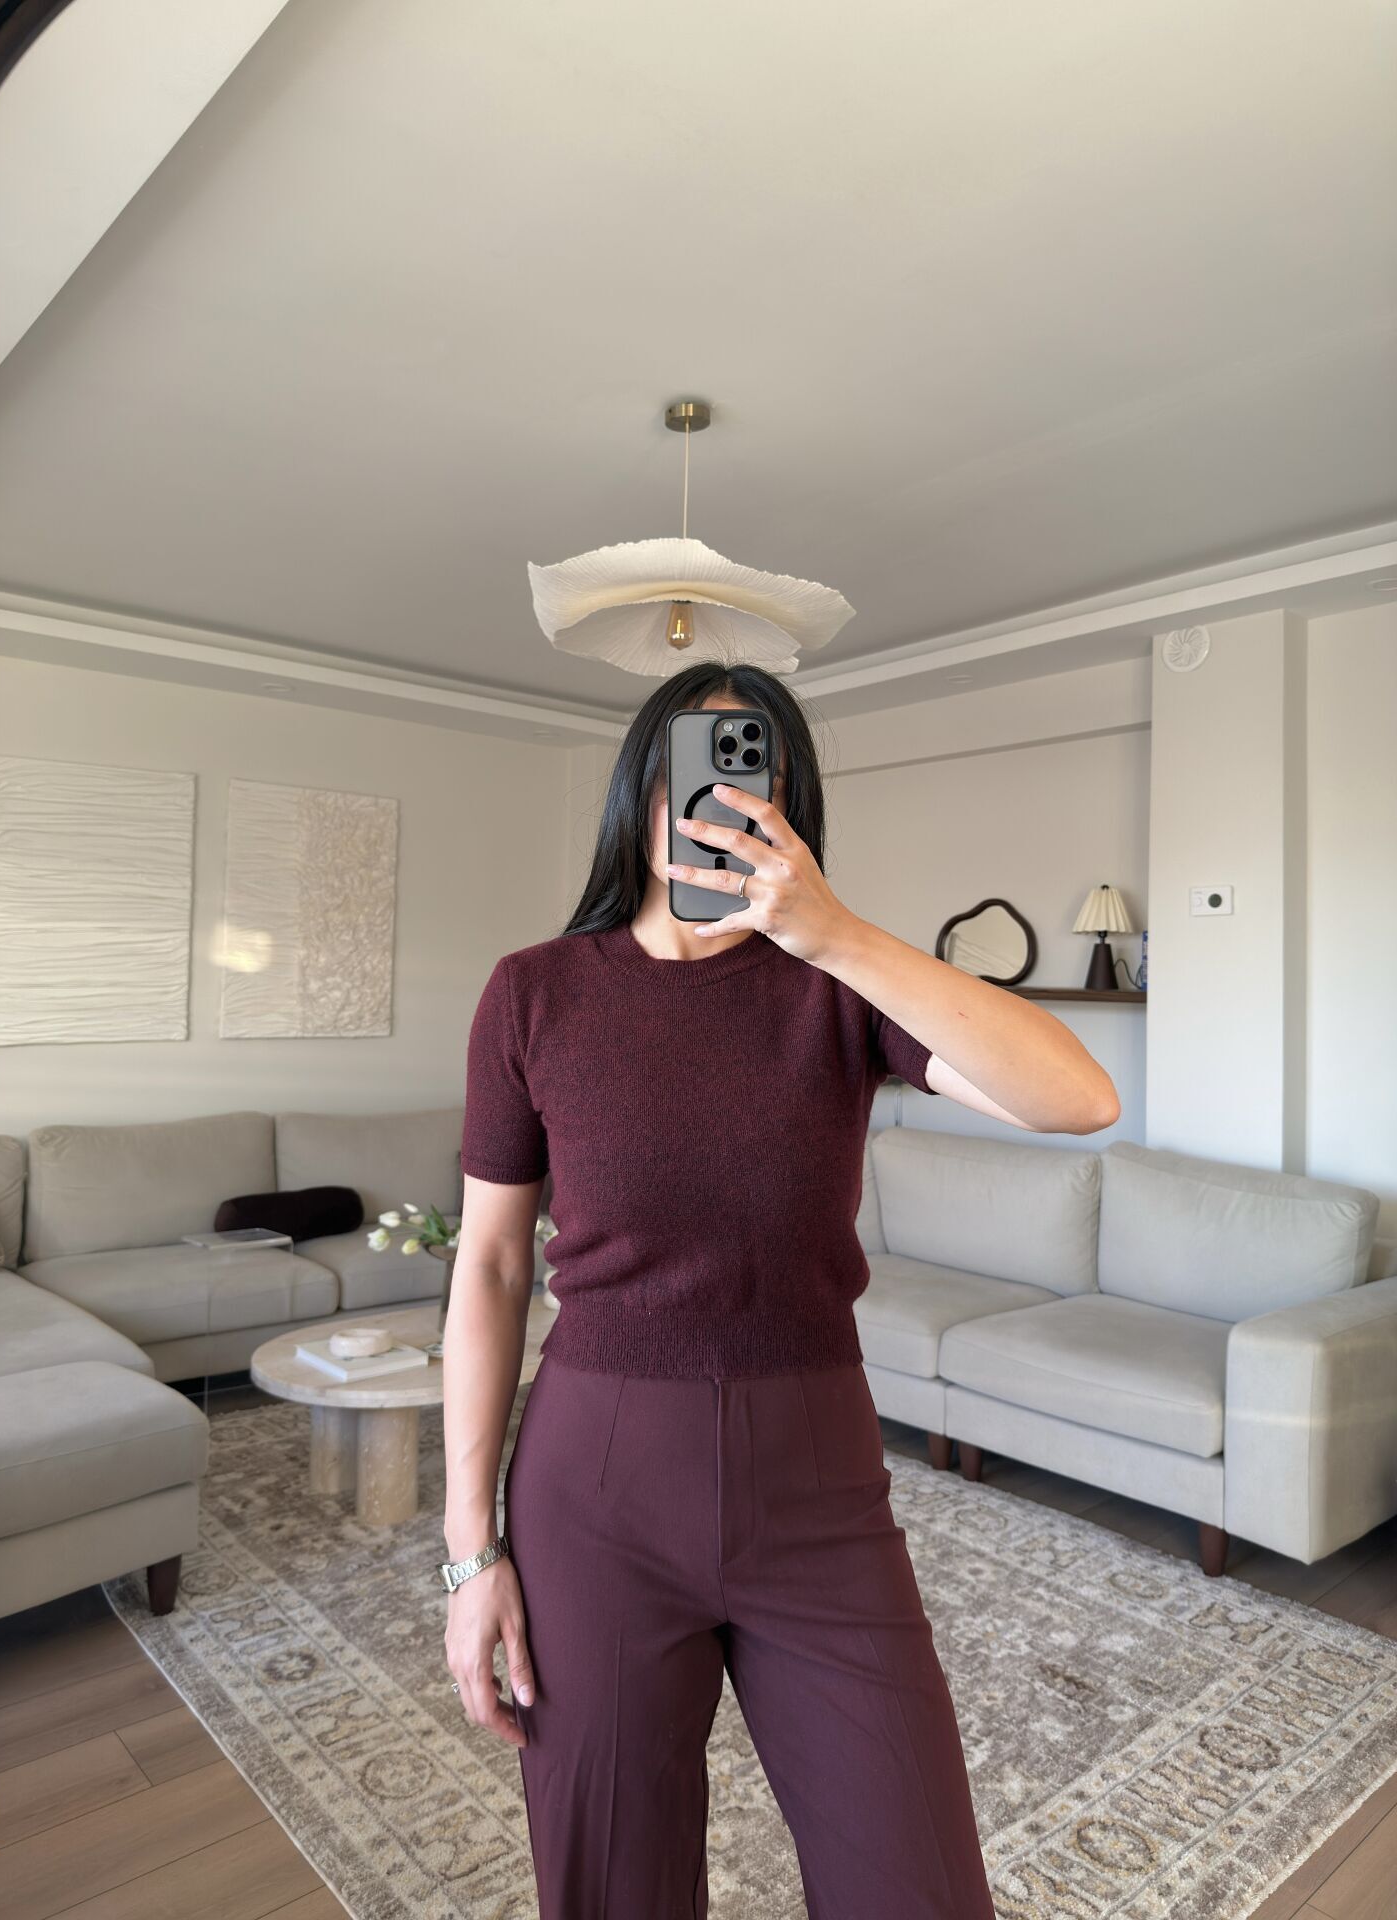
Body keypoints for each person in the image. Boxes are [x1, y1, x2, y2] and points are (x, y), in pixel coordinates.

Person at [441, 660, 1120, 1917]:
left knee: (915, 1884)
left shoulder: (839, 988)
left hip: (818, 1478)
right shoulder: (533, 993)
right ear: (639, 793)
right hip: (595, 1483)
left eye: (747, 777)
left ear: (788, 811)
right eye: (687, 773)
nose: (713, 806)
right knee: (612, 1886)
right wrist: (468, 1550)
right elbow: (487, 1267)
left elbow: (1078, 1098)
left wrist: (839, 934)